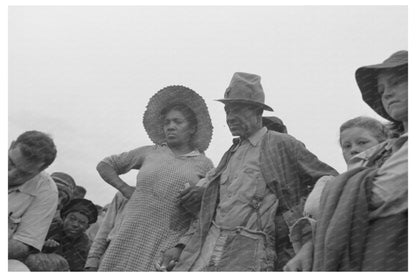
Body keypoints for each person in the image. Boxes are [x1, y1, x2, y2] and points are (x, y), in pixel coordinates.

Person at [158, 72, 337, 271]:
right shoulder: (230, 154)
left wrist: (298, 218)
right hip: (212, 246)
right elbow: (212, 210)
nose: (230, 118)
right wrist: (182, 244)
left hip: (252, 249)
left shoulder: (281, 143)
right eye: (227, 111)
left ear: (257, 112)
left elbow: (330, 179)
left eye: (237, 110)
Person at [284, 50, 408, 271]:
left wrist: (331, 188)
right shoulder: (384, 153)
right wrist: (309, 248)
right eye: (382, 90)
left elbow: (378, 194)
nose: (387, 94)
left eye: (397, 82)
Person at [97, 85, 214, 271]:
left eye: (177, 122)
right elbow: (106, 165)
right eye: (167, 122)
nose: (171, 126)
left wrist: (180, 246)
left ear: (192, 128)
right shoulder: (150, 152)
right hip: (128, 233)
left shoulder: (204, 165)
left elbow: (204, 212)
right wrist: (125, 189)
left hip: (166, 241)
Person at [8, 130, 58, 261]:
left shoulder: (47, 190)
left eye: (23, 173)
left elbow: (24, 244)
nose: (10, 175)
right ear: (11, 146)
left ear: (40, 170)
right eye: (10, 163)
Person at [43, 198, 98, 271]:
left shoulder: (86, 246)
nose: (75, 224)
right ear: (64, 218)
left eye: (82, 222)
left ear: (87, 227)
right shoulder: (47, 229)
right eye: (72, 219)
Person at [84, 191, 129, 271]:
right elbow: (104, 233)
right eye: (104, 211)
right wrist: (92, 262)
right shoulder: (123, 195)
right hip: (110, 260)